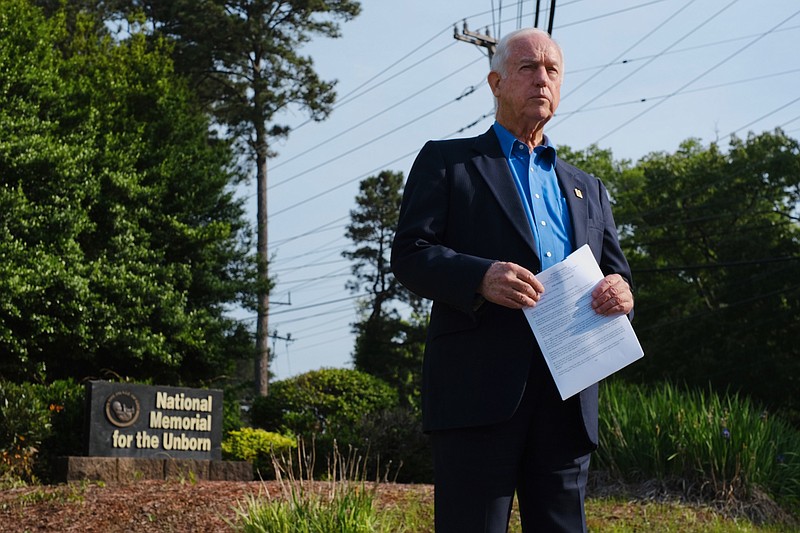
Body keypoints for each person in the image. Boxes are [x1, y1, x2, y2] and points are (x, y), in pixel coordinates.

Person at [390, 27, 634, 532]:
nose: (541, 79)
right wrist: (479, 276)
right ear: (495, 82)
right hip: (478, 393)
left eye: (552, 70)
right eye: (528, 68)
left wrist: (622, 292)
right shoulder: (448, 162)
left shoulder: (588, 187)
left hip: (569, 392)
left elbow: (618, 272)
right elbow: (410, 253)